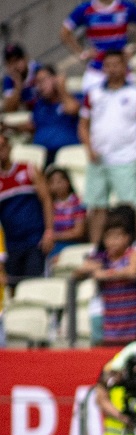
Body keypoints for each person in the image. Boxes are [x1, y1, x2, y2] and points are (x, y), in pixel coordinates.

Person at [78, 50, 136, 244]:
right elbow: (83, 125)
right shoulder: (93, 94)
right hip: (98, 159)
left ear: (124, 66)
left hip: (125, 158)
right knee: (97, 207)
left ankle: (131, 247)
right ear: (104, 68)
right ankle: (96, 249)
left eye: (116, 64)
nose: (112, 69)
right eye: (108, 65)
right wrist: (89, 149)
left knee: (128, 206)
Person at [77, 210, 136, 346]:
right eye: (109, 237)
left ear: (127, 238)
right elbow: (81, 271)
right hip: (112, 324)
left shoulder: (133, 254)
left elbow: (132, 271)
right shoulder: (102, 257)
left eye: (117, 237)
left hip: (135, 322)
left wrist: (106, 274)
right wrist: (91, 269)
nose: (113, 242)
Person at [0, 132, 53, 281]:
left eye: (3, 146)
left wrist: (49, 231)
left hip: (35, 240)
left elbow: (46, 200)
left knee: (35, 282)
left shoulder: (28, 169)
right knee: (14, 286)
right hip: (11, 244)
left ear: (9, 148)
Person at [62, 0, 136, 92]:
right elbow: (65, 33)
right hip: (97, 69)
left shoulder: (126, 6)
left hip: (122, 69)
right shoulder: (85, 8)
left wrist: (135, 48)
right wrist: (82, 53)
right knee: (91, 100)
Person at [15, 66, 81, 167]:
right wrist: (9, 126)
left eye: (43, 80)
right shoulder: (40, 105)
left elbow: (73, 109)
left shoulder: (73, 97)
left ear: (55, 79)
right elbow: (32, 125)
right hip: (42, 156)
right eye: (37, 82)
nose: (40, 86)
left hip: (67, 154)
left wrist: (61, 88)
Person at [46, 167, 88, 262]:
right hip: (53, 245)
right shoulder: (48, 205)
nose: (57, 185)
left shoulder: (77, 203)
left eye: (60, 181)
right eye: (52, 182)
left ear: (68, 182)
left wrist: (55, 236)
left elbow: (78, 232)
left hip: (73, 244)